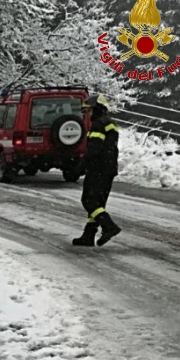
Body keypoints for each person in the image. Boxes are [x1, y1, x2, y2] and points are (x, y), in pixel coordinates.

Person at [72, 93, 122, 247]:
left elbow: (94, 149)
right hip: (108, 169)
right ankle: (89, 235)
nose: (88, 114)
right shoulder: (110, 123)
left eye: (89, 110)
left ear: (97, 109)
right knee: (98, 203)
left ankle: (109, 226)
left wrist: (80, 167)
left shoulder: (99, 124)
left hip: (98, 169)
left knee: (88, 201)